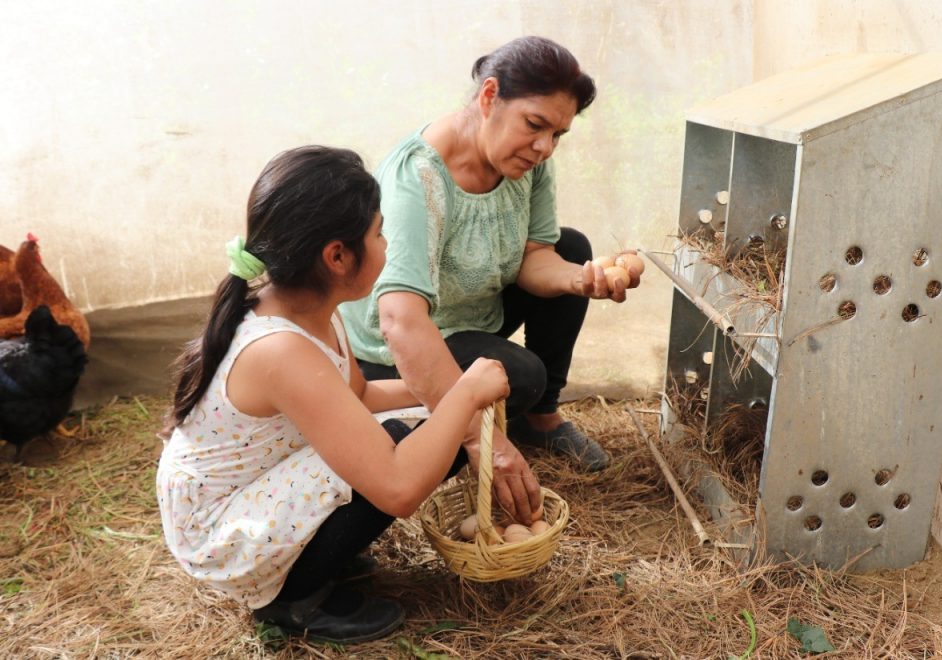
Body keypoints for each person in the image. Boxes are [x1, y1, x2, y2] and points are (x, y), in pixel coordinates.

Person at [156, 146, 509, 645]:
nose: (386, 244)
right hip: (222, 535)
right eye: (379, 233)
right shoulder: (279, 349)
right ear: (338, 256)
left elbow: (358, 395)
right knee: (424, 439)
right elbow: (398, 489)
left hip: (255, 488)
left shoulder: (311, 308)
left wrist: (443, 389)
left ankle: (315, 556)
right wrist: (465, 395)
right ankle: (292, 597)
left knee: (428, 425)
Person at [341, 36, 642, 524]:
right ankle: (473, 417)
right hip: (398, 346)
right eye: (535, 125)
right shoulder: (418, 177)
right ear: (489, 97)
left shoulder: (527, 162)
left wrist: (580, 280)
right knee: (520, 375)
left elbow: (535, 258)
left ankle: (539, 421)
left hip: (472, 311)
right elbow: (400, 320)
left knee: (571, 248)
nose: (544, 147)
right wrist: (483, 441)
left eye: (558, 134)